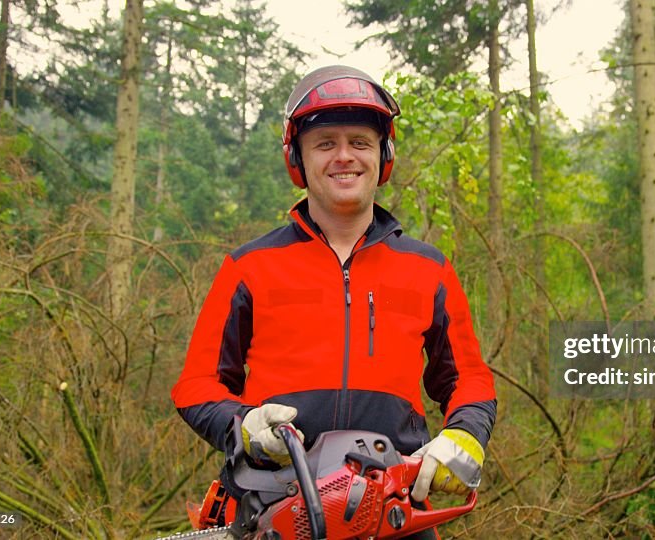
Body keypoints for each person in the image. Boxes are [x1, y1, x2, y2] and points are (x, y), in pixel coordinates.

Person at [170, 65, 497, 527]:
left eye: (359, 142)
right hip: (273, 509)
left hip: (391, 512)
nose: (344, 156)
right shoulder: (250, 267)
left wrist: (465, 435)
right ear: (297, 159)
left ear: (383, 156)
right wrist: (242, 426)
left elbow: (471, 380)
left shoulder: (430, 269)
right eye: (326, 144)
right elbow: (195, 385)